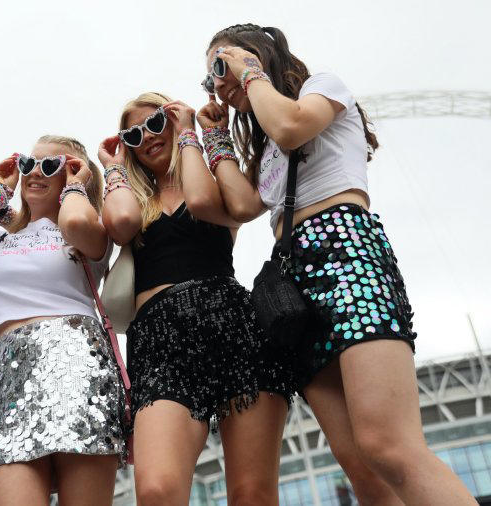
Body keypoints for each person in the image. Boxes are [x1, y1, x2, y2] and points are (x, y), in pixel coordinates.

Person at [201, 23, 476, 504]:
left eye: (219, 66)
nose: (217, 83)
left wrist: (248, 76)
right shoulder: (265, 143)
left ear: (256, 56)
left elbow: (291, 126)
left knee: (388, 446)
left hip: (345, 249)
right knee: (362, 469)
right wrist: (217, 138)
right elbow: (242, 206)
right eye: (209, 79)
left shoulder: (321, 88)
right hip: (295, 279)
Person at [100, 92, 294, 506]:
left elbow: (205, 203)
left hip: (234, 327)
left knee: (252, 494)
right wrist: (114, 168)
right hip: (158, 341)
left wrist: (190, 131)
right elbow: (118, 224)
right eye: (133, 134)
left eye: (156, 123)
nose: (147, 137)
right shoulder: (134, 203)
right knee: (156, 491)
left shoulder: (211, 181)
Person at [0, 135, 126, 506]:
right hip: (10, 373)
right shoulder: (0, 240)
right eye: (29, 163)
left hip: (76, 364)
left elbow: (75, 221)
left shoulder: (88, 231)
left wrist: (77, 185)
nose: (34, 173)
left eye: (52, 165)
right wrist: (0, 188)